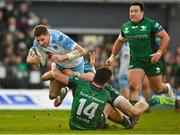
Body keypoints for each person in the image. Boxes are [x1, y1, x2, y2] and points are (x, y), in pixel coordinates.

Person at [106, 2, 175, 105]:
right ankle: (133, 117)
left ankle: (167, 88)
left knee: (158, 89)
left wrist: (159, 52)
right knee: (133, 87)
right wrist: (112, 56)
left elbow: (166, 37)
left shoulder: (150, 24)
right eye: (131, 11)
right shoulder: (125, 27)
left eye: (135, 11)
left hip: (151, 60)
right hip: (136, 61)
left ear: (142, 12)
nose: (132, 14)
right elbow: (119, 41)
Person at [51, 63, 149, 130]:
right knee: (108, 106)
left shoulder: (80, 84)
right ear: (106, 82)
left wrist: (54, 63)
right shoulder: (106, 94)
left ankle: (127, 121)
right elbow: (125, 107)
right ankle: (127, 122)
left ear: (94, 76)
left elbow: (55, 74)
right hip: (92, 127)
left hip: (73, 125)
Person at [26, 24, 86, 106]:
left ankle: (53, 74)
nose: (41, 43)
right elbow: (29, 57)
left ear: (48, 35)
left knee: (76, 97)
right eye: (38, 40)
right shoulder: (37, 42)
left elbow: (82, 51)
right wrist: (30, 60)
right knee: (52, 96)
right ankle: (63, 90)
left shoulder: (59, 38)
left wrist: (62, 57)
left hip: (76, 65)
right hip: (60, 65)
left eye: (43, 39)